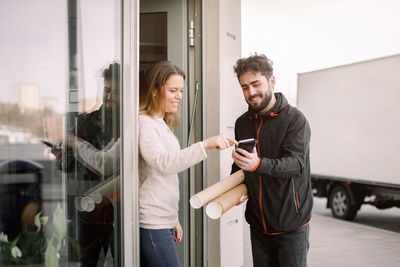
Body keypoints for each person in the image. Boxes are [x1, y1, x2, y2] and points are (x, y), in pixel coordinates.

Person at [138, 61, 236, 267]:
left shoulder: (160, 123)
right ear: (155, 91)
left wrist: (173, 219)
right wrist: (205, 145)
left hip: (163, 222)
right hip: (151, 224)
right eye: (173, 90)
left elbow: (164, 179)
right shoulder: (143, 123)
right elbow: (163, 164)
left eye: (180, 90)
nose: (179, 96)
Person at [231, 54, 313, 267]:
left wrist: (257, 164)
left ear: (272, 81)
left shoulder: (295, 119)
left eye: (256, 84)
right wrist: (236, 186)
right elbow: (241, 165)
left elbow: (296, 164)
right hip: (258, 226)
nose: (251, 92)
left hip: (291, 227)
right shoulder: (242, 123)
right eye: (244, 87)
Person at [56, 62, 121, 266]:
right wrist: (62, 159)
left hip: (121, 209)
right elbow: (67, 167)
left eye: (115, 92)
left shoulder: (133, 125)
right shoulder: (83, 122)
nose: (109, 96)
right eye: (107, 90)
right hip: (88, 211)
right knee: (87, 263)